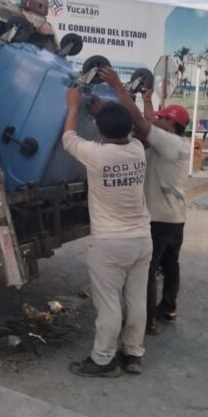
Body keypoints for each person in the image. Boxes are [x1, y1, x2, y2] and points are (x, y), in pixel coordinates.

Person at [62, 87, 152, 377]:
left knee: (109, 304)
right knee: (136, 300)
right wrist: (104, 110)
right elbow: (131, 130)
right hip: (141, 239)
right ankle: (134, 354)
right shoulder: (138, 150)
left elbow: (68, 138)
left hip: (110, 244)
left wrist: (74, 106)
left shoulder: (96, 155)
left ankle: (103, 360)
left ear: (100, 130)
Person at [100, 68, 190, 334]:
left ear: (172, 125)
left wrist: (118, 86)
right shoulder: (176, 142)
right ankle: (169, 308)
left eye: (162, 119)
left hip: (159, 219)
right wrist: (148, 98)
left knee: (147, 271)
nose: (156, 120)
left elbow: (141, 122)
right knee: (171, 265)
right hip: (176, 218)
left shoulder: (169, 142)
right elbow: (148, 118)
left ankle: (148, 321)